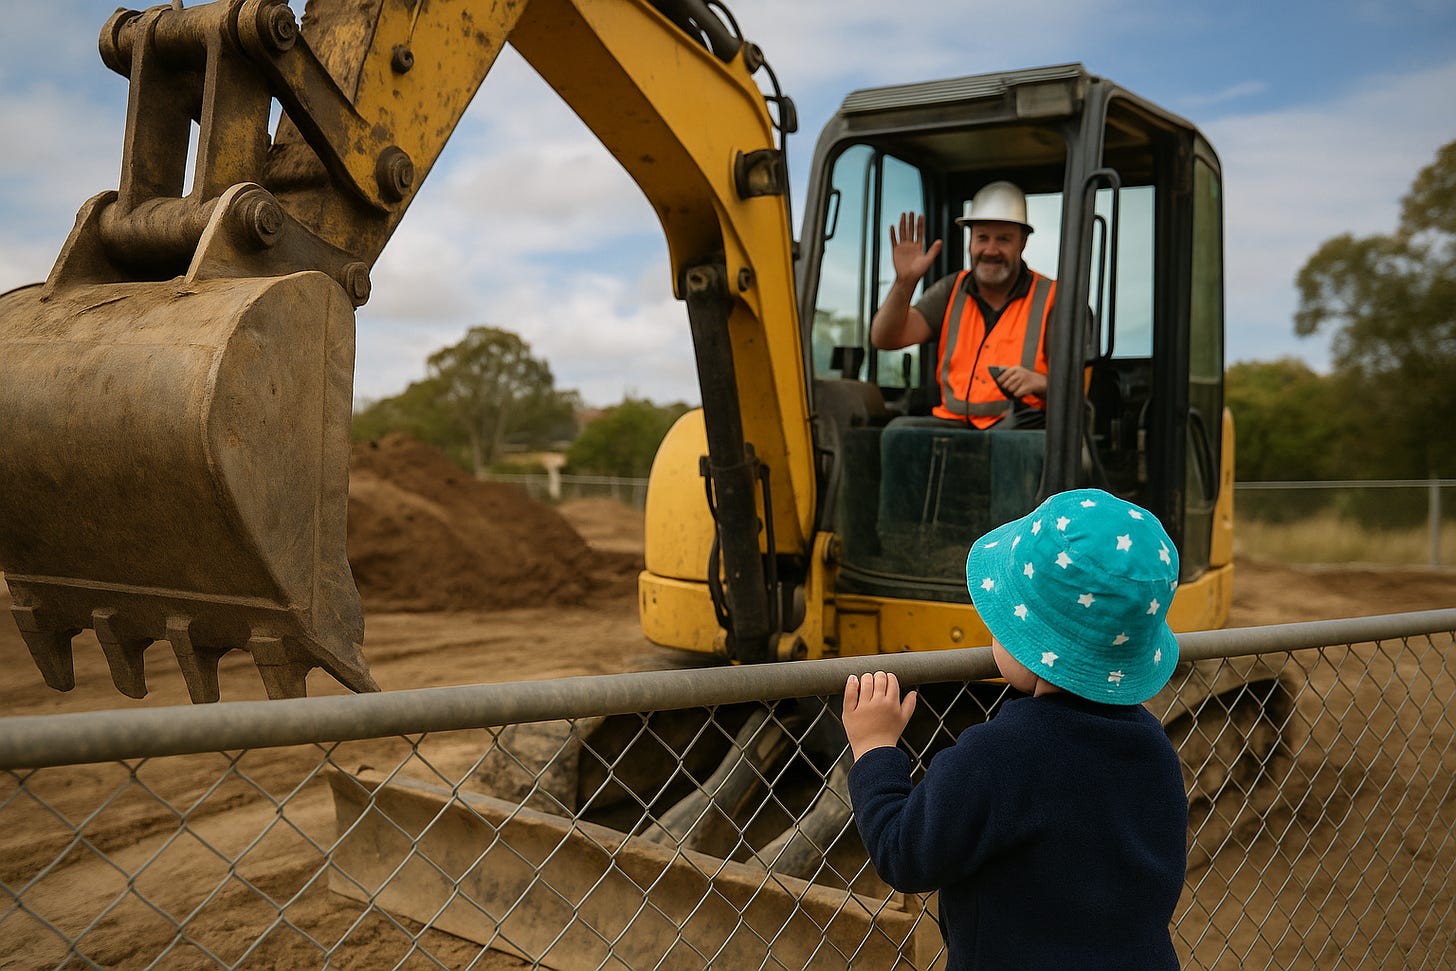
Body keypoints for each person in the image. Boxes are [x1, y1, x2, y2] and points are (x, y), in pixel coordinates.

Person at [841, 488, 1189, 969]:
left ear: (1034, 646)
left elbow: (903, 853)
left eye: (1002, 621)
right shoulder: (1153, 747)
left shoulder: (998, 756)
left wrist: (874, 746)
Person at [870, 181, 1055, 429]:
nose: (990, 250)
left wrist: (1043, 384)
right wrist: (905, 283)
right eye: (982, 238)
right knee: (900, 431)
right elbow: (884, 338)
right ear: (970, 241)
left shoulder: (1053, 298)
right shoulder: (951, 291)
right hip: (955, 427)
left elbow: (1079, 390)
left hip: (1022, 429)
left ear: (1022, 243)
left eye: (1003, 239)